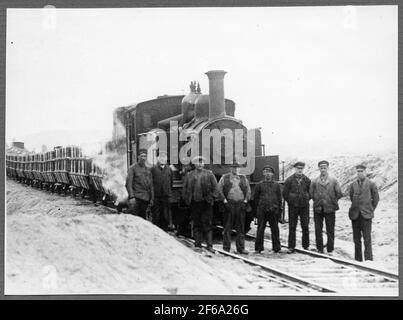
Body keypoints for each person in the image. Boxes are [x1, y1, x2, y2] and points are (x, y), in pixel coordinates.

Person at [182, 156, 218, 252]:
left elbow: (216, 188)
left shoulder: (209, 174)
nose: (200, 164)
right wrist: (187, 199)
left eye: (202, 162)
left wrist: (211, 198)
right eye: (198, 162)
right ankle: (197, 244)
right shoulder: (189, 175)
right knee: (196, 223)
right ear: (194, 164)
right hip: (195, 203)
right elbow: (185, 188)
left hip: (206, 203)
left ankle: (209, 245)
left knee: (207, 224)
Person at [309, 160, 343, 254]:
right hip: (318, 208)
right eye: (321, 168)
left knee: (330, 229)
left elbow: (339, 193)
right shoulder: (314, 181)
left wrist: (331, 200)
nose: (323, 169)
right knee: (318, 229)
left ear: (327, 168)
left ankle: (330, 248)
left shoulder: (333, 180)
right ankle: (319, 248)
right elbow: (311, 193)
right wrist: (317, 200)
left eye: (324, 168)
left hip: (330, 208)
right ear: (319, 168)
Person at [217, 162, 251, 254]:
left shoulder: (244, 178)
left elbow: (248, 191)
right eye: (233, 167)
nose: (235, 169)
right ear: (230, 168)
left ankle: (241, 248)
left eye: (237, 168)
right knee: (227, 227)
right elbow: (219, 189)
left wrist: (245, 202)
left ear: (239, 169)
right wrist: (224, 201)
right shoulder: (224, 177)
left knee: (241, 227)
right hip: (229, 204)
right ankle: (226, 248)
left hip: (240, 204)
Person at [348, 164, 379, 261]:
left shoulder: (371, 184)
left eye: (361, 171)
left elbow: (376, 199)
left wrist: (370, 209)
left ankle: (369, 260)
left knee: (367, 239)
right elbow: (351, 197)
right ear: (356, 172)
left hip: (366, 216)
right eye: (358, 171)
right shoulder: (353, 184)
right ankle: (358, 260)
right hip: (355, 216)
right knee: (356, 240)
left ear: (365, 172)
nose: (359, 173)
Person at [283, 161, 311, 253]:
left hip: (304, 206)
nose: (300, 170)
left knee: (305, 226)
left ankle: (306, 246)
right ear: (295, 169)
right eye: (298, 168)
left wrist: (305, 199)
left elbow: (310, 193)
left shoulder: (307, 180)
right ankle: (291, 246)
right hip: (293, 207)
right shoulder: (289, 180)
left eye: (301, 168)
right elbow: (285, 194)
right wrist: (291, 201)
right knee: (292, 226)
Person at [253, 165, 282, 254]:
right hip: (262, 210)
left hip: (273, 210)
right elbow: (256, 199)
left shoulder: (276, 185)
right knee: (260, 229)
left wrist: (279, 211)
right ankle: (258, 248)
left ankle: (276, 248)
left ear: (272, 174)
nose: (268, 174)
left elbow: (279, 198)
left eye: (269, 172)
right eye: (266, 172)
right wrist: (256, 212)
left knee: (275, 229)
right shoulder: (259, 185)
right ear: (263, 173)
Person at [125, 149, 154, 219]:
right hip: (136, 198)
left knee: (143, 218)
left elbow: (151, 185)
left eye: (145, 156)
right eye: (142, 156)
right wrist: (132, 197)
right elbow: (128, 184)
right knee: (136, 218)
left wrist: (152, 198)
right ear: (138, 157)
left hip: (146, 199)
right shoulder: (132, 168)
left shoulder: (148, 169)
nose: (143, 158)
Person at [151, 151, 173, 231]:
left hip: (165, 196)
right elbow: (151, 182)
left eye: (164, 157)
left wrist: (168, 192)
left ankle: (165, 230)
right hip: (156, 196)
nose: (163, 158)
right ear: (157, 158)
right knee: (156, 215)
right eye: (161, 157)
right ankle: (157, 231)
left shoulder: (169, 169)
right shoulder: (153, 169)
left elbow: (171, 182)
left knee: (165, 215)